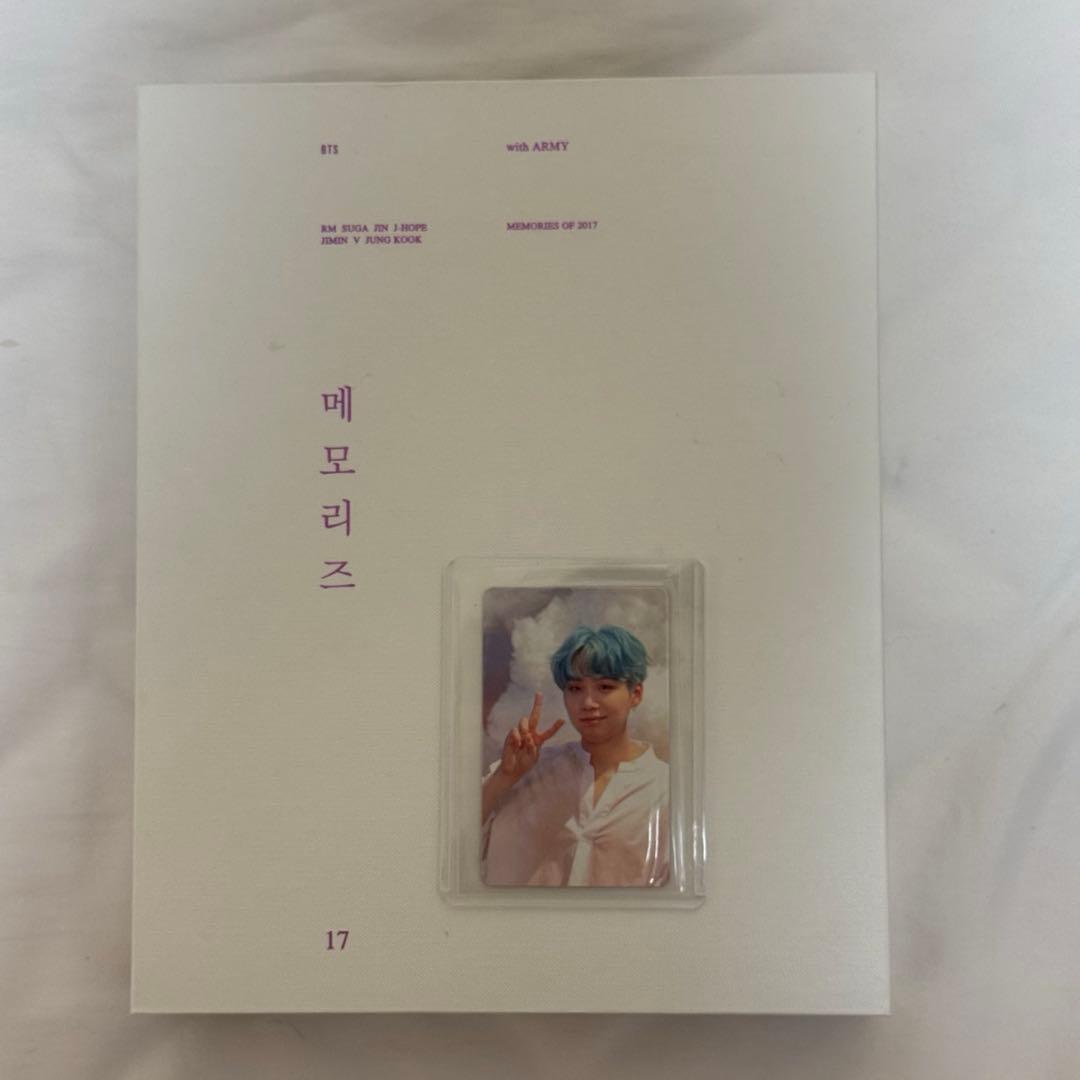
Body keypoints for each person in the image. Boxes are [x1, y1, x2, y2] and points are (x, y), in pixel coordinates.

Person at [481, 624, 670, 887]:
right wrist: (505, 776)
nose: (588, 703)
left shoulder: (664, 787)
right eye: (575, 689)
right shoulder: (530, 769)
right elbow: (455, 839)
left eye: (605, 687)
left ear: (635, 694)